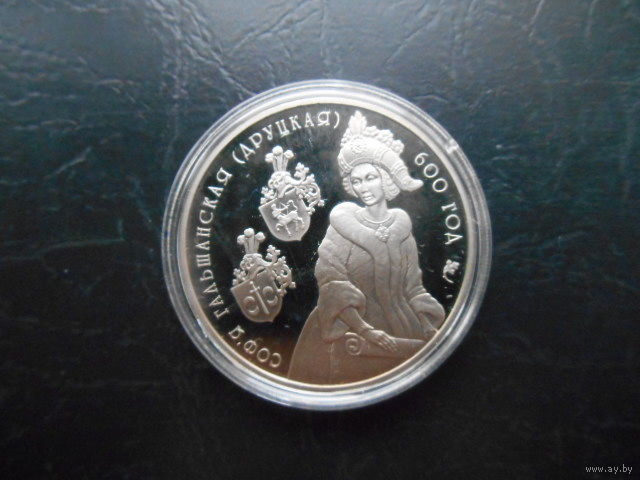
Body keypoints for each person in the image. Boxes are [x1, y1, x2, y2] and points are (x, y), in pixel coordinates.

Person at [288, 112, 445, 384]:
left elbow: (413, 287)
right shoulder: (342, 225)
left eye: (370, 177)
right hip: (346, 332)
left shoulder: (401, 229)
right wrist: (367, 331)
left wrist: (428, 328)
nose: (363, 187)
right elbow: (331, 283)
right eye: (356, 181)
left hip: (402, 334)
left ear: (386, 178)